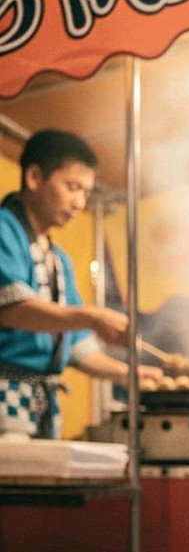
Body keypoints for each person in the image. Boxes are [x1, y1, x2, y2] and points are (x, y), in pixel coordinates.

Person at [0, 129, 161, 438]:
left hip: (41, 406)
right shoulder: (5, 229)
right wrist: (92, 316)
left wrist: (128, 374)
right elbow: (11, 310)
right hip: (5, 396)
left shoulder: (58, 259)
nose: (79, 202)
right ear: (34, 177)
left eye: (86, 193)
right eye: (72, 187)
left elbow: (76, 346)